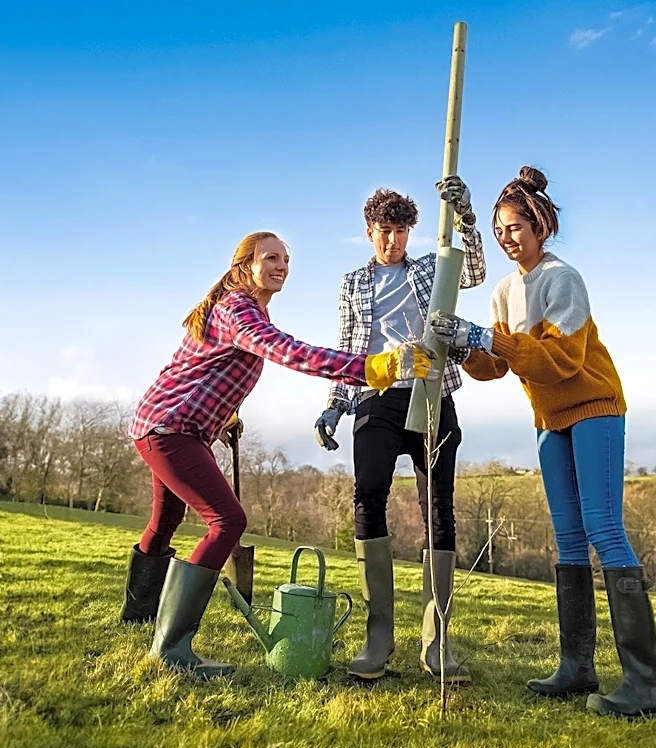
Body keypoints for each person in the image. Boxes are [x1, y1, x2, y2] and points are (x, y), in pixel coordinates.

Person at [121, 231, 437, 680]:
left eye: (286, 259)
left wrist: (227, 415)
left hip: (168, 424)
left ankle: (137, 616)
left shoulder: (238, 309)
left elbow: (204, 368)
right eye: (271, 258)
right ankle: (172, 646)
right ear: (243, 266)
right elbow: (289, 352)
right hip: (171, 429)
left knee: (165, 522)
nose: (282, 266)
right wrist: (371, 367)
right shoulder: (237, 309)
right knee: (227, 521)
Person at [429, 167, 656, 718]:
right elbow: (496, 364)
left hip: (592, 408)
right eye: (499, 228)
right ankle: (577, 667)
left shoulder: (563, 279)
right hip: (547, 419)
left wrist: (488, 338)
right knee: (566, 540)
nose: (507, 237)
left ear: (540, 226)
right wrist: (462, 344)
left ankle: (646, 684)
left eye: (515, 226)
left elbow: (562, 361)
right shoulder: (503, 290)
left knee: (604, 529)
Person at [314, 178, 486, 682]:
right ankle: (378, 638)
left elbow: (472, 270)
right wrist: (334, 405)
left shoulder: (430, 268)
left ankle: (438, 642)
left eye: (402, 231)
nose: (393, 241)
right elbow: (349, 347)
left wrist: (465, 215)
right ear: (370, 232)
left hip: (432, 390)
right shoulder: (354, 283)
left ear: (411, 231)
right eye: (385, 231)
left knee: (438, 505)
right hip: (376, 396)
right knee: (368, 493)